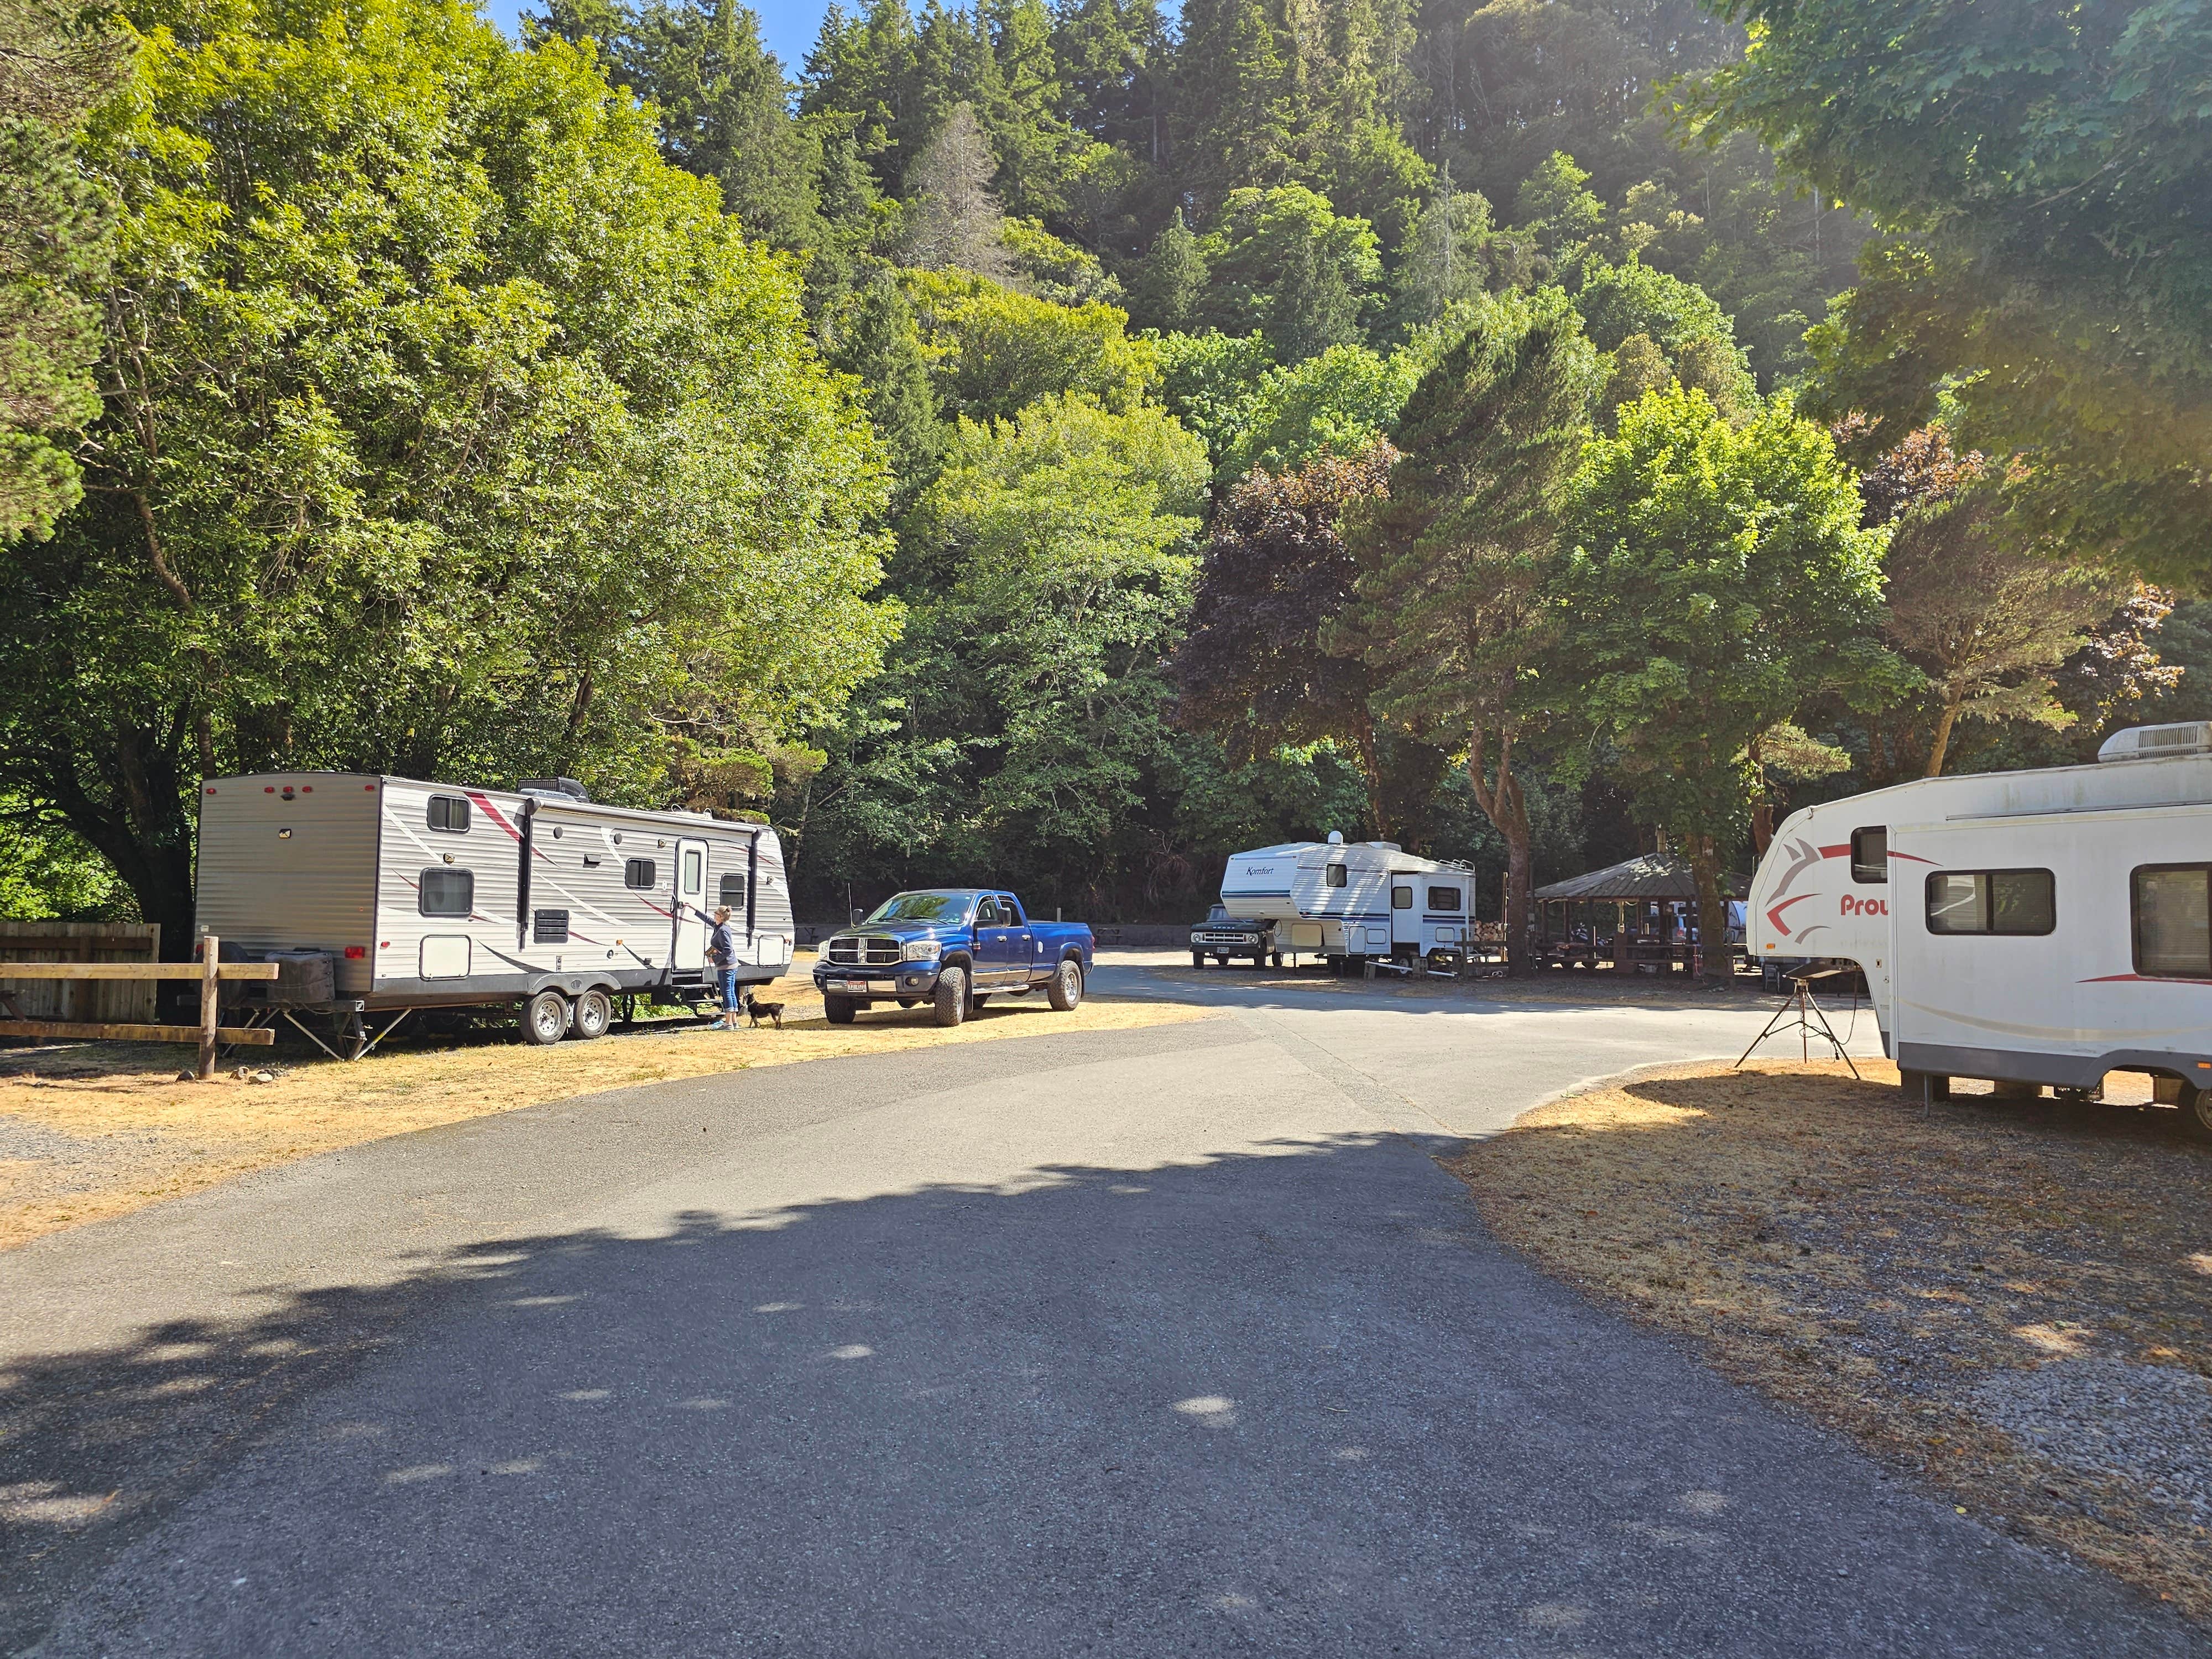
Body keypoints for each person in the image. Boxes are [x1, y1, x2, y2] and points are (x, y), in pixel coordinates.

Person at [707, 905, 739, 1030]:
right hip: (731, 965)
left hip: (726, 966)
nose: (713, 915)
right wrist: (694, 911)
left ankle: (728, 1023)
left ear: (720, 917)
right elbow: (709, 920)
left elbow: (728, 950)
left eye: (715, 913)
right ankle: (734, 1022)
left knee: (727, 993)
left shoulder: (722, 931)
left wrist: (714, 959)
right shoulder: (722, 926)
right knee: (731, 992)